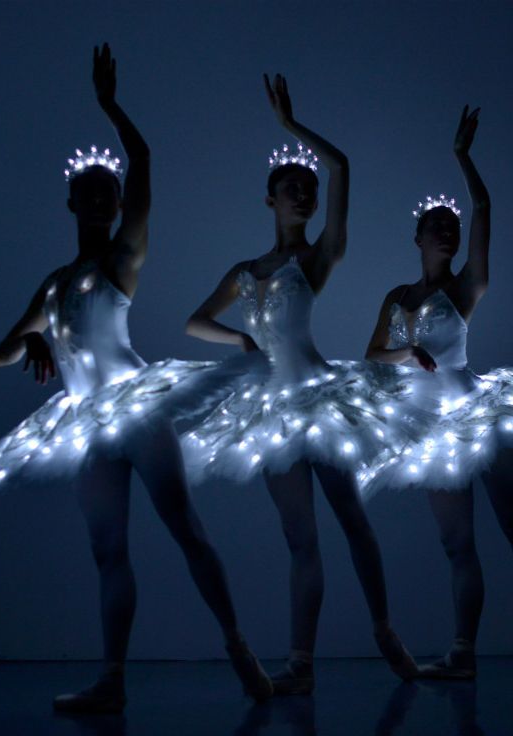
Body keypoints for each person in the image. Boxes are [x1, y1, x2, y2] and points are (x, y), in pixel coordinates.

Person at [0, 44, 272, 711]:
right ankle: (112, 679)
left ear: (115, 206)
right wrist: (32, 339)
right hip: (87, 423)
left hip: (135, 409)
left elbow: (144, 163)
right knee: (108, 552)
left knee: (183, 526)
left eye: (104, 191)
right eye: (84, 191)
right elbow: (2, 350)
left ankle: (240, 650)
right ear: (69, 203)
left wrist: (112, 108)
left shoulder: (120, 259)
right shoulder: (53, 285)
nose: (94, 197)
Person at [182, 73, 419, 695]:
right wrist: (238, 340)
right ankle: (301, 665)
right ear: (270, 199)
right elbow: (194, 321)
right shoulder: (245, 271)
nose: (303, 195)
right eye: (292, 188)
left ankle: (384, 629)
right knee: (300, 538)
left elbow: (339, 165)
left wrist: (293, 129)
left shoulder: (314, 259)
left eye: (308, 190)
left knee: (351, 519)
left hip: (320, 397)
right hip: (272, 410)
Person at [364, 106, 511, 678]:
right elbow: (373, 354)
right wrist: (407, 354)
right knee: (457, 543)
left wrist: (463, 159)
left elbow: (485, 209)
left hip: (476, 411)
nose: (448, 229)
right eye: (438, 224)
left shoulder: (466, 287)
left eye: (452, 225)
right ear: (418, 237)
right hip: (433, 426)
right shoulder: (396, 295)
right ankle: (463, 655)